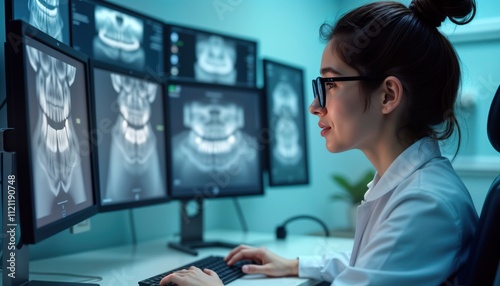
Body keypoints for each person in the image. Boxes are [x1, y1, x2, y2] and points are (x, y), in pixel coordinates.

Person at [160, 0, 478, 285]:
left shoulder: (424, 205)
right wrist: (296, 265)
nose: (314, 105)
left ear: (388, 95)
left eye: (331, 84)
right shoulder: (409, 186)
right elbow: (371, 264)